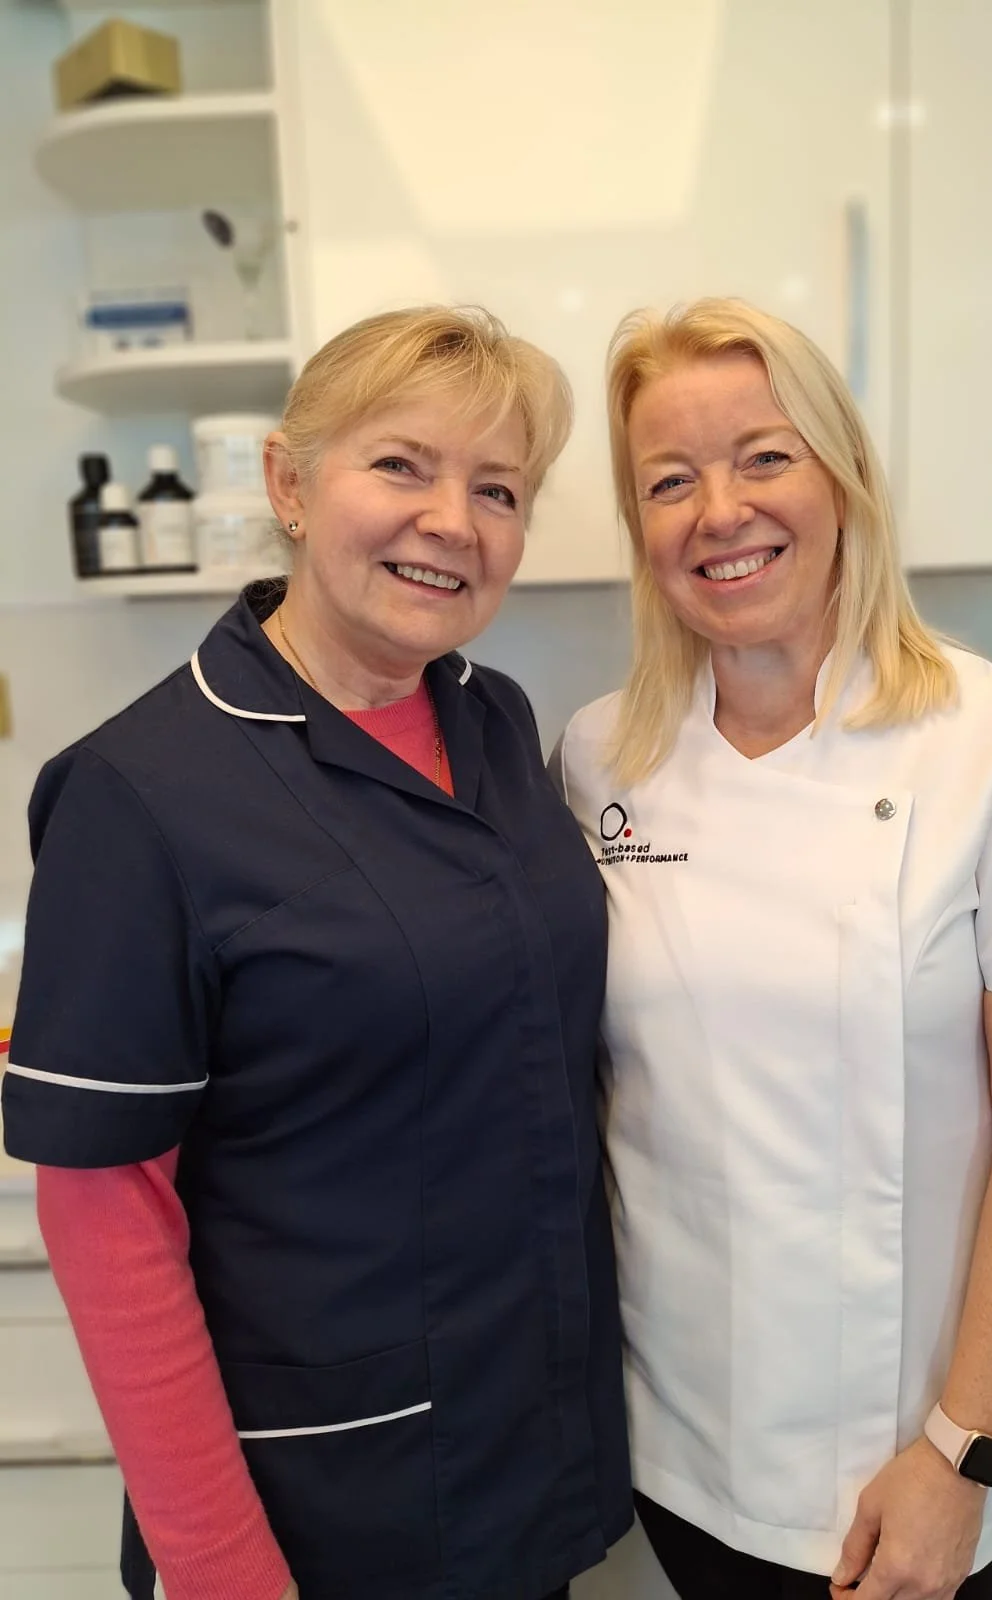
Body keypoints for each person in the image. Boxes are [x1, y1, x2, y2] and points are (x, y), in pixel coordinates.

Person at [2, 306, 632, 1600]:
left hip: (527, 1456)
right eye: (402, 465)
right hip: (315, 1513)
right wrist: (225, 1572)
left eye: (498, 488)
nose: (454, 519)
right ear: (290, 483)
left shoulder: (496, 724)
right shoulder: (143, 792)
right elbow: (106, 1214)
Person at [553, 298, 992, 1600]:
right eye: (669, 479)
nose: (719, 510)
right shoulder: (601, 756)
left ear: (844, 476)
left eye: (765, 456)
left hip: (904, 1461)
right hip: (674, 1435)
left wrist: (961, 1454)